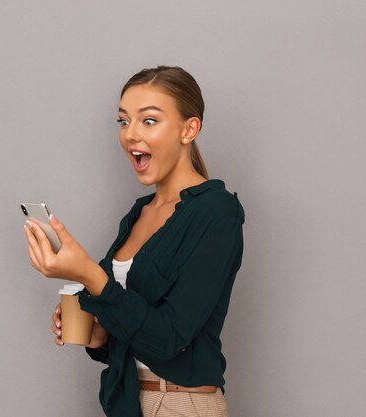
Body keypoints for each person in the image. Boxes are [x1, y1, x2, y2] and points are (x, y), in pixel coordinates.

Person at [24, 65, 245, 417]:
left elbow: (169, 338)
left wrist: (88, 275)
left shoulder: (217, 211)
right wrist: (99, 336)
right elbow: (131, 327)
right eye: (123, 121)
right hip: (127, 400)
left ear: (189, 129)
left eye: (149, 121)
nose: (130, 134)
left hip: (180, 404)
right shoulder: (139, 214)